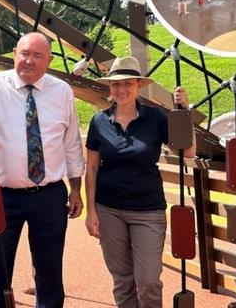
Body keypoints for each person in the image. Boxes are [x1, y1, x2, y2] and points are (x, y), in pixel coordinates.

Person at [0, 32, 85, 308]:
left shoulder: (62, 91)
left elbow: (71, 144)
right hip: (3, 196)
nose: (29, 61)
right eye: (24, 53)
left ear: (50, 60)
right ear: (14, 53)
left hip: (49, 194)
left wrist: (76, 189)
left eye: (37, 55)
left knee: (49, 272)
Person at [84, 56, 195, 308]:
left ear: (138, 86)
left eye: (128, 84)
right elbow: (91, 168)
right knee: (122, 279)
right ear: (109, 87)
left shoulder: (155, 118)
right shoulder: (99, 121)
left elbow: (186, 152)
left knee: (148, 280)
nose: (121, 90)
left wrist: (185, 112)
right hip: (109, 208)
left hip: (148, 209)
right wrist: (91, 211)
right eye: (116, 84)